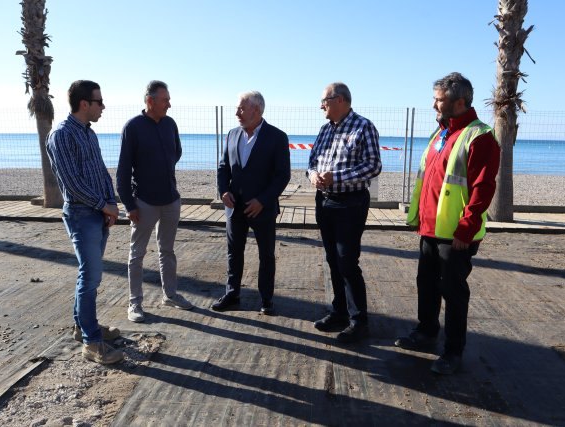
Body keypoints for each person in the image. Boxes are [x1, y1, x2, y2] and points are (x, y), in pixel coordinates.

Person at [395, 72, 501, 375]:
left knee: (453, 291)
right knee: (426, 284)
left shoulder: (479, 136)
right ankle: (426, 332)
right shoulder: (440, 133)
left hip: (455, 234)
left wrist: (466, 230)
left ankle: (453, 352)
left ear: (459, 102)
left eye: (438, 100)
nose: (433, 106)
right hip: (430, 228)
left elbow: (482, 188)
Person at [46, 80, 124, 365]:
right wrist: (104, 205)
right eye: (99, 102)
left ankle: (84, 328)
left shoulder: (89, 134)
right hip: (81, 215)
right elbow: (72, 184)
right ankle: (92, 342)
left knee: (89, 276)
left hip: (98, 214)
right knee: (90, 278)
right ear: (84, 104)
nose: (103, 107)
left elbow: (100, 173)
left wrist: (111, 204)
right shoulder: (62, 135)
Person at [308, 82, 382, 343]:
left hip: (350, 203)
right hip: (325, 201)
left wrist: (335, 178)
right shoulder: (325, 130)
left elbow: (373, 166)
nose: (321, 106)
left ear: (339, 100)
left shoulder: (363, 127)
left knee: (347, 261)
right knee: (332, 259)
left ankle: (359, 321)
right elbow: (312, 162)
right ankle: (339, 311)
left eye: (324, 101)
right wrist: (314, 176)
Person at [116, 81, 193, 323]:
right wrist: (129, 205)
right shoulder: (133, 127)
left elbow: (176, 153)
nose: (169, 104)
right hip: (144, 203)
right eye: (165, 100)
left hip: (171, 200)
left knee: (167, 251)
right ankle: (135, 303)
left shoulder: (170, 124)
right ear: (150, 101)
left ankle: (170, 295)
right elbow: (122, 172)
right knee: (137, 254)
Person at [212, 91, 291, 314]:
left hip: (262, 209)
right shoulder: (232, 134)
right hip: (234, 207)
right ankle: (232, 293)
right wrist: (223, 191)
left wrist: (263, 200)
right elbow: (223, 167)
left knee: (266, 254)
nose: (236, 112)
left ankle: (266, 299)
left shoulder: (277, 137)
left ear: (256, 110)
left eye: (241, 108)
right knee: (233, 252)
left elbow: (282, 176)